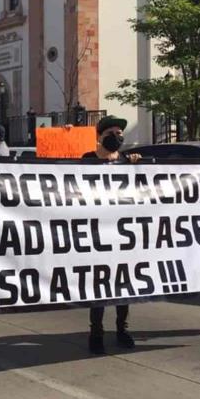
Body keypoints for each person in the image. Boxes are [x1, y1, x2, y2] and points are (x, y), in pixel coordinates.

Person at [80, 116, 141, 355]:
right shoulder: (87, 161)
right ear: (100, 137)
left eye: (120, 133)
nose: (117, 137)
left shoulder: (128, 161)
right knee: (100, 287)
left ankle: (122, 329)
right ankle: (96, 333)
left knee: (123, 286)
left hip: (123, 235)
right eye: (111, 133)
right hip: (97, 235)